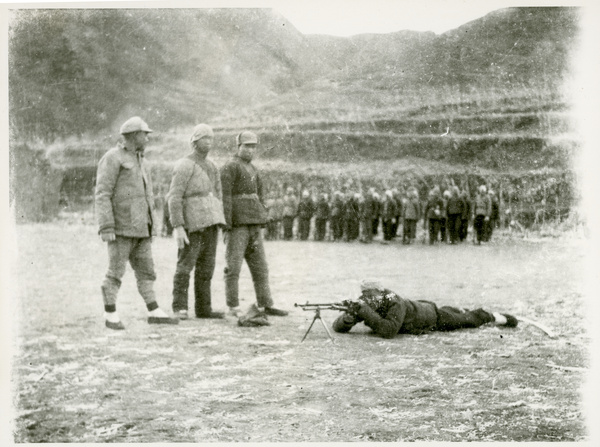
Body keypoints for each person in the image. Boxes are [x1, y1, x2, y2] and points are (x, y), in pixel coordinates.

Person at [95, 116, 178, 330]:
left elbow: (148, 197)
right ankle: (110, 315)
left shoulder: (143, 161)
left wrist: (152, 226)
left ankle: (154, 311)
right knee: (115, 272)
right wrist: (106, 226)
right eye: (145, 134)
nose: (148, 138)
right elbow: (102, 193)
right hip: (120, 229)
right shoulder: (112, 158)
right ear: (133, 136)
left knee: (147, 271)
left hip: (142, 229)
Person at [220, 131, 288, 320]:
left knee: (261, 267)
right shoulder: (230, 167)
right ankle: (233, 306)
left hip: (254, 225)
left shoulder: (254, 169)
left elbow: (261, 197)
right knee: (233, 267)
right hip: (237, 226)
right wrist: (226, 225)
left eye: (253, 147)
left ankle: (265, 304)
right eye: (246, 146)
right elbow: (224, 197)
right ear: (238, 147)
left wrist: (262, 218)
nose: (250, 150)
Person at [167, 123, 226, 320]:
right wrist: (178, 226)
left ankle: (203, 309)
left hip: (211, 223)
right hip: (191, 223)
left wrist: (221, 221)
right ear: (194, 141)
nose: (209, 142)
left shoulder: (213, 167)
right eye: (204, 138)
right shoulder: (184, 165)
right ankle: (179, 307)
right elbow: (174, 197)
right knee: (185, 265)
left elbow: (218, 195)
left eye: (211, 138)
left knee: (207, 267)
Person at [332, 280, 518, 339]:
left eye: (370, 295)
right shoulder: (370, 303)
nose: (367, 299)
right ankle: (458, 309)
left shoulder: (394, 301)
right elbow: (337, 327)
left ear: (380, 292)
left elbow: (389, 331)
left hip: (431, 317)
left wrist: (364, 311)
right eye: (364, 296)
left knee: (467, 320)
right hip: (420, 309)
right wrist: (348, 318)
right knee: (454, 312)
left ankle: (496, 317)